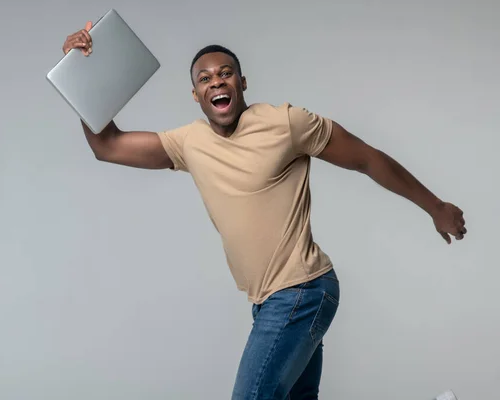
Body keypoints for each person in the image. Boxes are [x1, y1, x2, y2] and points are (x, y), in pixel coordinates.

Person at [60, 22, 467, 400]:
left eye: (225, 73)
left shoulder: (286, 123)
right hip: (267, 301)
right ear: (196, 95)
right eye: (205, 78)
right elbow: (107, 145)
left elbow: (366, 158)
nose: (216, 81)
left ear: (242, 82)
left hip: (301, 290)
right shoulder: (189, 143)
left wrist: (435, 207)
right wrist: (80, 73)